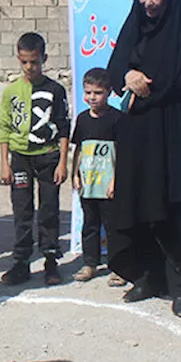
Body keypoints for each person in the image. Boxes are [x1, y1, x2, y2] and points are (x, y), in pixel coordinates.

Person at [105, 0, 181, 319]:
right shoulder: (134, 23)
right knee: (138, 204)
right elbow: (115, 67)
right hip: (136, 132)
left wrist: (149, 87)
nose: (148, 3)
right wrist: (128, 76)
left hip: (171, 132)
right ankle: (147, 276)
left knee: (173, 206)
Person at [0, 32, 70, 286]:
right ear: (19, 59)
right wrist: (4, 163)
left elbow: (63, 127)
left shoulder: (56, 90)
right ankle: (22, 262)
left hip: (48, 157)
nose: (30, 67)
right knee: (22, 211)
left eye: (35, 62)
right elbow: (5, 129)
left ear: (44, 59)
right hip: (20, 158)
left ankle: (51, 260)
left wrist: (63, 161)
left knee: (49, 210)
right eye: (25, 62)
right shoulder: (11, 92)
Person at [70, 67, 122, 282]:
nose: (92, 97)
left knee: (113, 227)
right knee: (90, 225)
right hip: (88, 184)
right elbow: (79, 149)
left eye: (98, 92)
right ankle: (90, 264)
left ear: (109, 92)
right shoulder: (82, 119)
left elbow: (122, 153)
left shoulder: (117, 119)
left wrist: (115, 181)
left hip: (108, 185)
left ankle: (119, 267)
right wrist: (75, 175)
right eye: (88, 92)